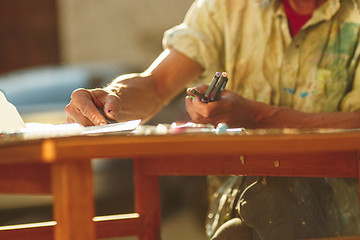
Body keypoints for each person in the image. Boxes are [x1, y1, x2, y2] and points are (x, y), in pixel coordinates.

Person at [65, 0, 360, 239]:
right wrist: (110, 99)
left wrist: (257, 116)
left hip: (344, 211)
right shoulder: (227, 8)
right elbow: (156, 85)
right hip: (241, 208)